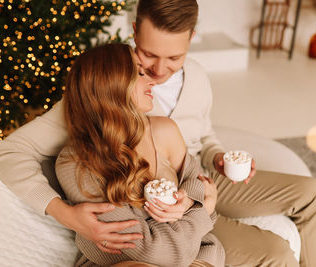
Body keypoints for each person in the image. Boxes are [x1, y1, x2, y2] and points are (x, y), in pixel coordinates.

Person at [0, 0, 316, 266]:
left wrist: (218, 157)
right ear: (135, 31)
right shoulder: (98, 94)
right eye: (149, 56)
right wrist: (64, 213)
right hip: (164, 206)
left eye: (174, 58)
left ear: (191, 40)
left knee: (313, 192)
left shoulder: (196, 77)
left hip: (198, 174)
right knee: (273, 252)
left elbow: (205, 134)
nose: (158, 71)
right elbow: (8, 153)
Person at [55, 42, 224, 267]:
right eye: (139, 73)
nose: (152, 80)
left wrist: (191, 203)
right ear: (111, 84)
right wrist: (203, 212)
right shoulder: (76, 163)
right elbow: (159, 252)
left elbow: (198, 184)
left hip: (196, 254)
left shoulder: (163, 129)